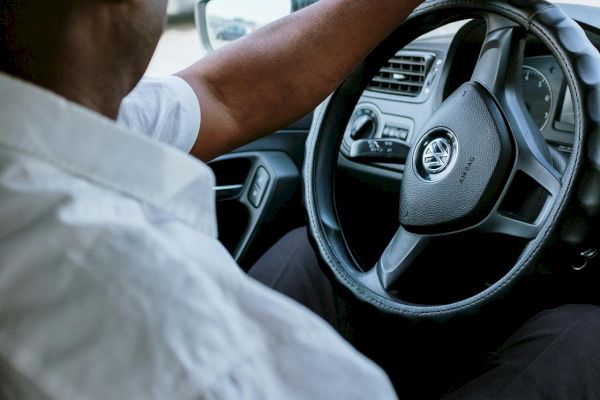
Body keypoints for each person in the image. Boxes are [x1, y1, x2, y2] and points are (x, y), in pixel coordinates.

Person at [1, 0, 600, 399]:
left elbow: (225, 95)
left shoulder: (46, 119)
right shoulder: (195, 361)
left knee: (306, 251)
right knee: (581, 338)